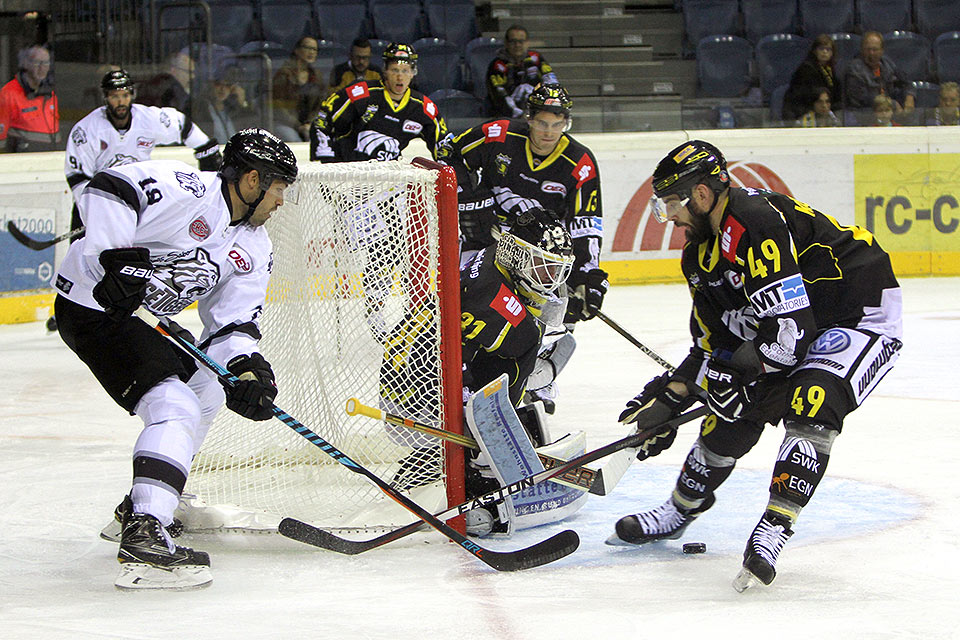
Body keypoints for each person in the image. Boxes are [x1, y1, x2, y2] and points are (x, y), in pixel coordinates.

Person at [608, 140, 902, 593]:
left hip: (857, 312)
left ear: (701, 196)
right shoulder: (698, 258)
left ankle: (774, 529)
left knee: (813, 398)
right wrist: (672, 395)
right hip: (799, 323)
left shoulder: (755, 222)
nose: (670, 217)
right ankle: (678, 509)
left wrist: (736, 374)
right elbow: (713, 344)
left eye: (672, 204)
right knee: (730, 412)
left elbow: (789, 333)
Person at [52, 128, 298, 590]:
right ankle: (145, 534)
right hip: (93, 309)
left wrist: (246, 369)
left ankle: (145, 501)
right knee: (174, 406)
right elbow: (109, 188)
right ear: (251, 180)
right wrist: (113, 256)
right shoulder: (188, 191)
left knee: (207, 382)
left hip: (143, 320)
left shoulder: (255, 246)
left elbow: (232, 325)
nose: (281, 201)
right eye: (279, 187)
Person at [438, 82, 606, 412]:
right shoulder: (498, 134)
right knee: (466, 303)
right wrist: (472, 198)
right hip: (486, 243)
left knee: (549, 322)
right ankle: (458, 372)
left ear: (566, 124)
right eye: (542, 123)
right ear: (529, 118)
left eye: (557, 125)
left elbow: (587, 224)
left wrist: (587, 274)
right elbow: (449, 153)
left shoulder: (580, 162)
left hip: (538, 259)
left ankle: (533, 379)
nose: (548, 132)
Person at [309, 42, 448, 162]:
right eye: (395, 70)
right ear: (385, 71)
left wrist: (448, 167)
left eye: (405, 71)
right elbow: (323, 119)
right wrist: (325, 155)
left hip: (387, 178)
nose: (400, 77)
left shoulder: (423, 107)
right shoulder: (361, 93)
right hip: (347, 171)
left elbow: (443, 145)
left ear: (413, 73)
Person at [485, 24, 557, 118]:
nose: (517, 45)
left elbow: (551, 81)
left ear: (528, 43)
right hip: (507, 116)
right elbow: (498, 95)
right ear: (506, 43)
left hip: (536, 113)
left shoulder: (536, 58)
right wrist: (518, 113)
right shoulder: (497, 65)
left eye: (521, 41)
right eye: (513, 41)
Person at [0, 44, 59, 152]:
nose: (42, 67)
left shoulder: (50, 94)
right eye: (37, 62)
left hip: (50, 160)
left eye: (46, 62)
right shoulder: (8, 93)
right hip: (23, 163)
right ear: (26, 64)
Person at [843, 31, 914, 116]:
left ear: (882, 51)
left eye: (875, 49)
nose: (871, 53)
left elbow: (906, 82)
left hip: (887, 114)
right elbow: (865, 100)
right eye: (868, 49)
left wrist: (910, 97)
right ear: (862, 50)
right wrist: (893, 104)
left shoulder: (887, 63)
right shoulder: (854, 70)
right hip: (864, 116)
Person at [272, 36, 326, 142]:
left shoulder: (317, 76)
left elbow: (320, 105)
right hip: (285, 123)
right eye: (307, 48)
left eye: (314, 49)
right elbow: (279, 107)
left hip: (308, 124)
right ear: (297, 50)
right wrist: (298, 126)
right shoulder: (284, 74)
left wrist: (310, 123)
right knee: (296, 142)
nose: (311, 52)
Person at [782, 35, 841, 122]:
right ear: (814, 51)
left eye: (828, 49)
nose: (825, 52)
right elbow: (803, 96)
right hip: (803, 111)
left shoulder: (831, 69)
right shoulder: (806, 69)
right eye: (821, 49)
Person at [194, 63, 255, 142]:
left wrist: (242, 104)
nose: (222, 89)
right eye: (218, 84)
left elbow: (254, 127)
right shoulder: (202, 109)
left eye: (227, 85)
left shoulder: (233, 111)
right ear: (211, 85)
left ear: (232, 89)